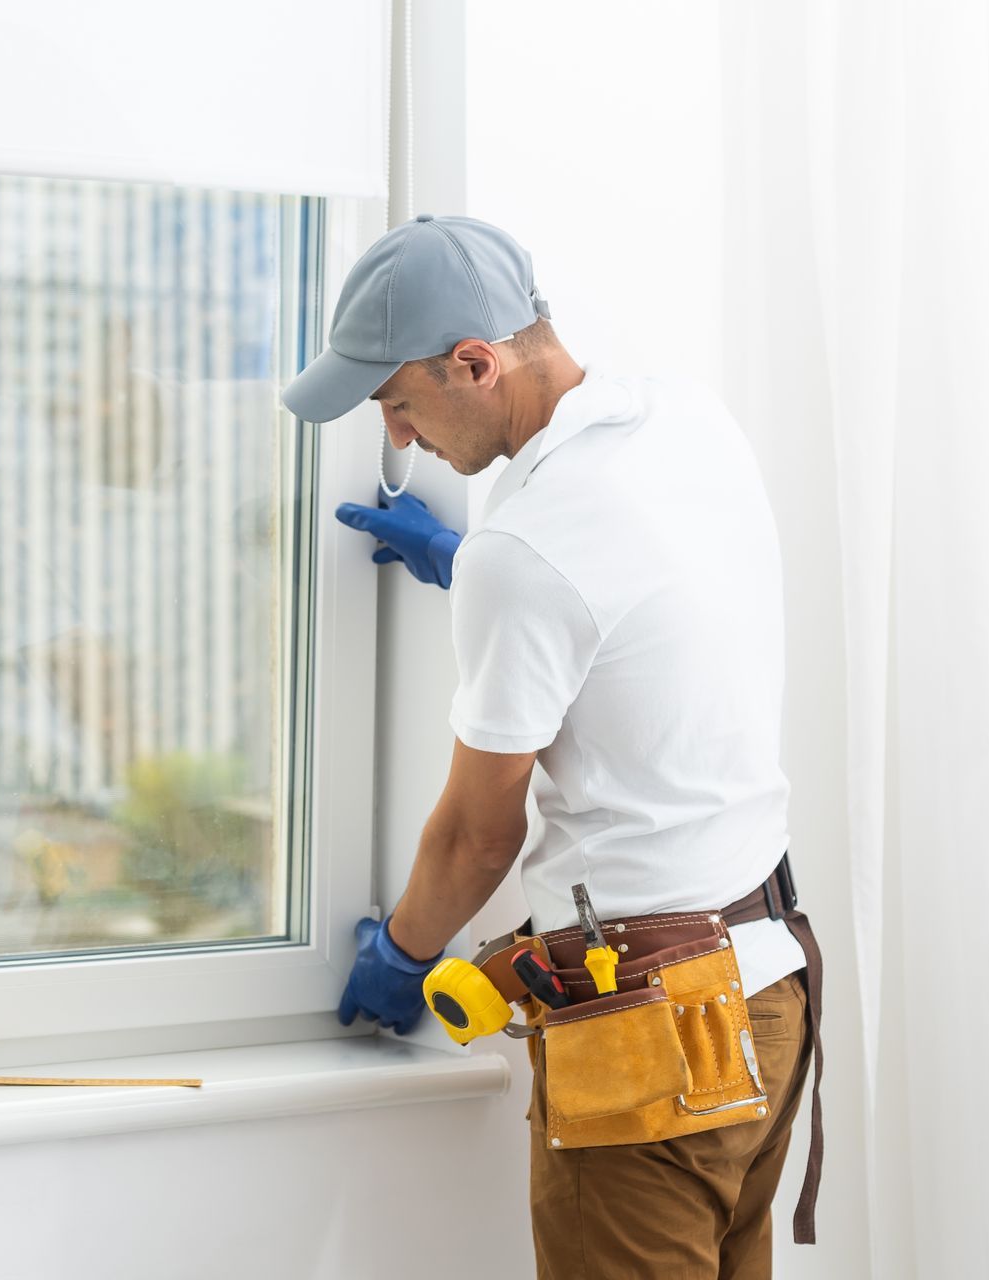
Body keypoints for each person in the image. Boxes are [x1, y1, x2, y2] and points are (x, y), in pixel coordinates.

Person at [281, 214, 822, 1278]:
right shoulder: (688, 419)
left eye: (397, 403)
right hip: (769, 989)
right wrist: (470, 558)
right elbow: (644, 598)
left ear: (475, 363)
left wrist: (403, 952)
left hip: (653, 1041)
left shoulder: (526, 553)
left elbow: (477, 840)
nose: (396, 437)